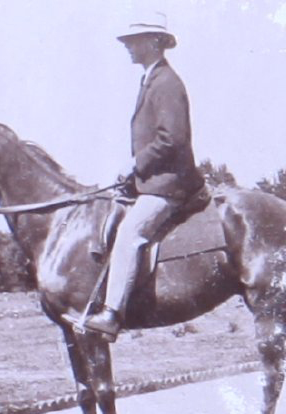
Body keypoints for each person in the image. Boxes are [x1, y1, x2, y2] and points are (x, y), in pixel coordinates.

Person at [83, 13, 205, 338]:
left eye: (133, 41)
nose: (128, 47)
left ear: (153, 42)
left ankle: (112, 314)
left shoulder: (166, 83)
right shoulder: (152, 79)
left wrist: (135, 164)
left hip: (168, 185)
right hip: (152, 180)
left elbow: (172, 138)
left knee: (128, 235)